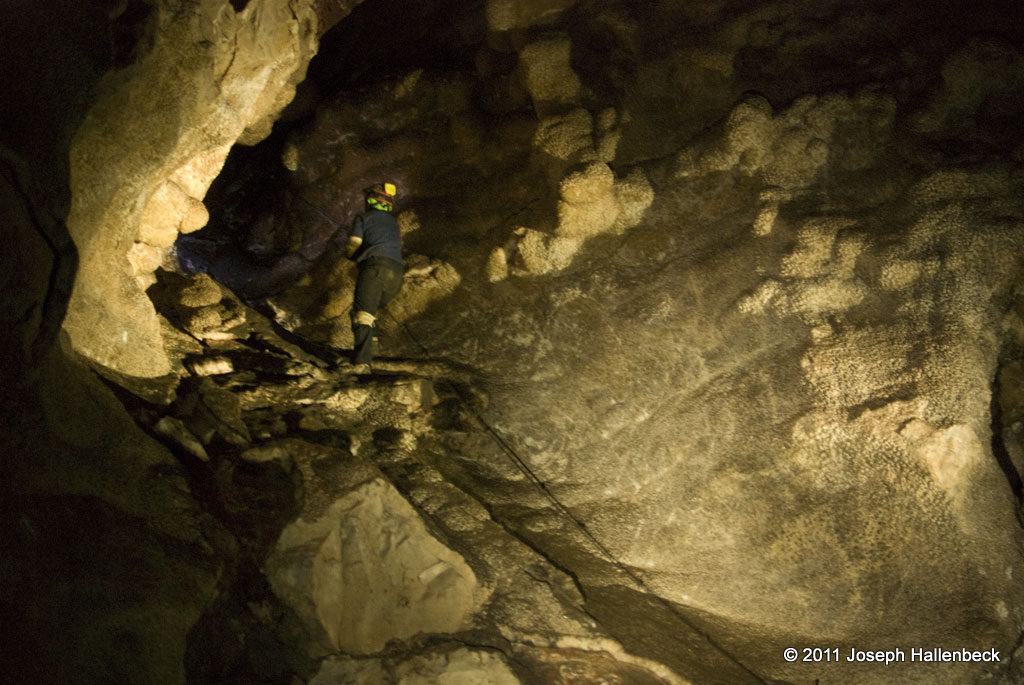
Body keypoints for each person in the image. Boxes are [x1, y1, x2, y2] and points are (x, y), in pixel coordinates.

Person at [346, 182, 404, 372]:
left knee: (362, 315)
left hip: (375, 268)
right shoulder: (393, 224)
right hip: (396, 275)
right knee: (372, 311)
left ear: (370, 201)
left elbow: (354, 244)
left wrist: (350, 255)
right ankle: (375, 348)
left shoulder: (363, 218)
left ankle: (362, 364)